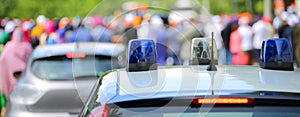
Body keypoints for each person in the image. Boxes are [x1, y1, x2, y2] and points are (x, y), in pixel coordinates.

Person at [0, 28, 32, 107]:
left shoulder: (8, 46)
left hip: (9, 79)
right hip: (24, 80)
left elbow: (2, 60)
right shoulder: (27, 47)